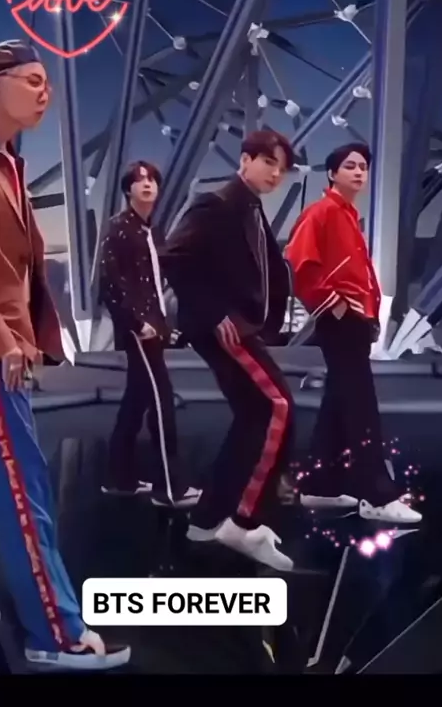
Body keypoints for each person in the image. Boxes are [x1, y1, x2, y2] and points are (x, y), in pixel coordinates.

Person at [0, 39, 131, 671]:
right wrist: (2, 338)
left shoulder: (5, 165)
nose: (45, 92)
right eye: (32, 79)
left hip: (8, 346)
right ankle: (56, 632)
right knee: (24, 492)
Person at [161, 130, 296, 570]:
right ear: (245, 159)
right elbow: (174, 256)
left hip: (240, 325)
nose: (275, 174)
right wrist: (215, 311)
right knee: (277, 406)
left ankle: (207, 519)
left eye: (281, 168)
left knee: (255, 414)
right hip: (224, 328)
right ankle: (244, 522)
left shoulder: (250, 208)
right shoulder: (216, 204)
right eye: (269, 162)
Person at [284, 142, 422, 524]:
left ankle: (320, 486)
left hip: (355, 323)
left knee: (338, 402)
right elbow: (299, 263)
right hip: (341, 323)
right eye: (350, 166)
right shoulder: (322, 212)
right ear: (332, 173)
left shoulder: (347, 215)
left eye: (363, 166)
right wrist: (338, 307)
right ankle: (376, 494)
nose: (359, 172)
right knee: (361, 407)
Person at [99, 160, 201, 508]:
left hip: (153, 326)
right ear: (127, 189)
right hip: (139, 330)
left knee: (136, 400)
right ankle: (169, 489)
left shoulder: (150, 231)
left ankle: (120, 479)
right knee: (161, 403)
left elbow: (157, 282)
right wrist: (136, 323)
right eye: (139, 180)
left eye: (152, 180)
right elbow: (109, 284)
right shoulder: (118, 229)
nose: (146, 184)